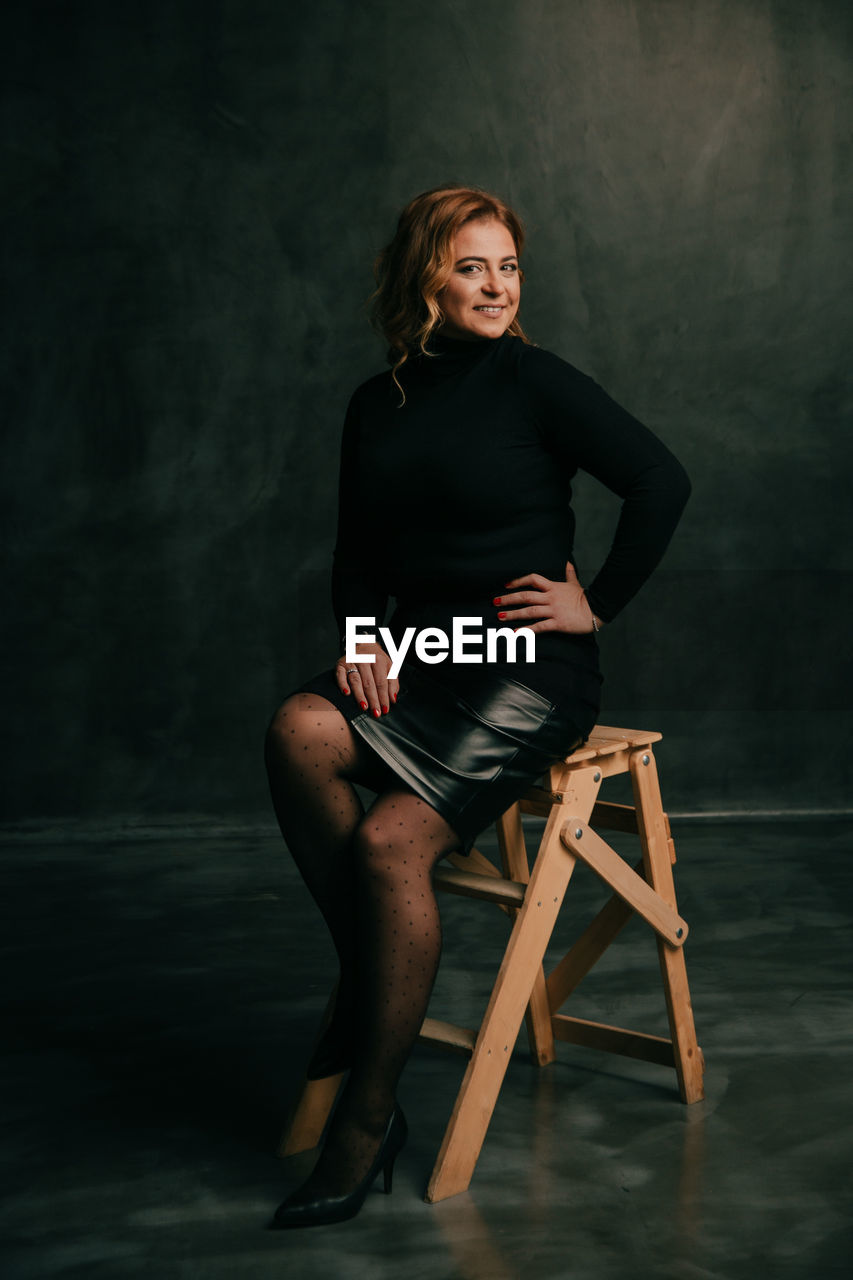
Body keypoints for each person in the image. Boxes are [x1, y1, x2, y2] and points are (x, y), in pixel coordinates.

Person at [264, 185, 691, 1229]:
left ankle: (367, 1116)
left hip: (529, 659)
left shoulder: (533, 379)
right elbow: (358, 550)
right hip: (430, 645)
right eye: (472, 267)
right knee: (298, 728)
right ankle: (371, 979)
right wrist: (365, 634)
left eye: (508, 267)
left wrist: (595, 602)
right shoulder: (378, 401)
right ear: (425, 278)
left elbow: (659, 478)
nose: (497, 286)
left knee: (387, 845)